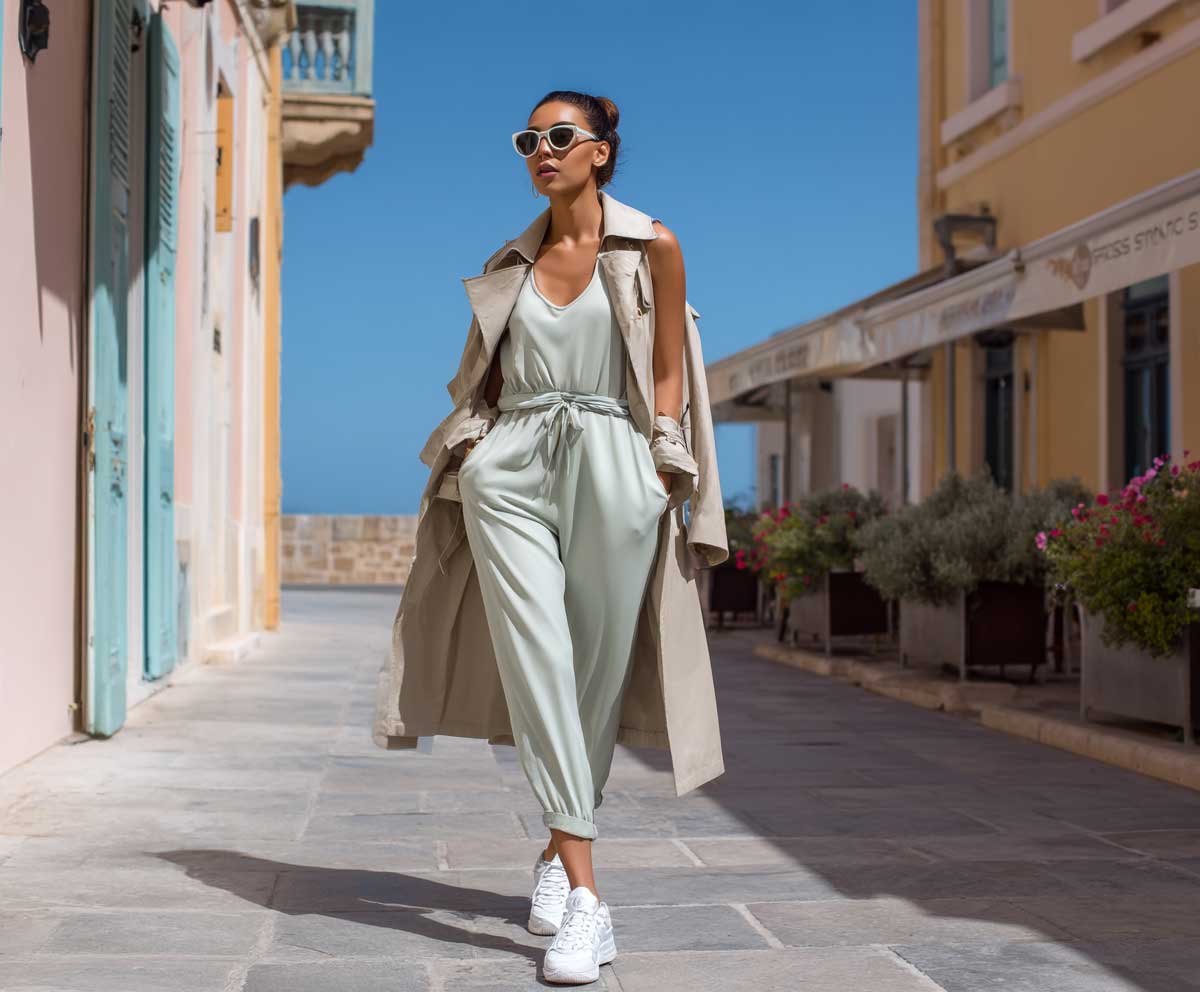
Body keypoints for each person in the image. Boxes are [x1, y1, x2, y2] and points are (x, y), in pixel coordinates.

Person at [454, 90, 693, 985]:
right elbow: (478, 373)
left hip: (615, 464)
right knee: (540, 658)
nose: (541, 151)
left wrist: (663, 462)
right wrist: (476, 450)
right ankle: (589, 899)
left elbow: (669, 361)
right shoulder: (508, 262)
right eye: (529, 139)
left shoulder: (651, 246)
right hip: (509, 467)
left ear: (600, 151)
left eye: (559, 137)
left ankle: (555, 855)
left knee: (593, 670)